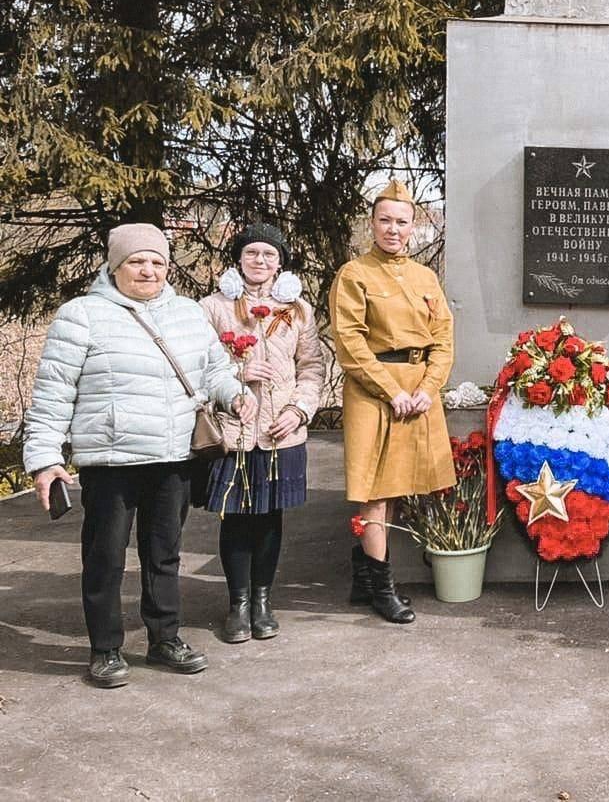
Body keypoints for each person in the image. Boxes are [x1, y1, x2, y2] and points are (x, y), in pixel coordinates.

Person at [23, 223, 254, 687]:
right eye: (137, 261)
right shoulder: (81, 315)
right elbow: (52, 394)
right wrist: (45, 458)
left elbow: (214, 369)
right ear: (115, 265)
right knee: (105, 557)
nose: (148, 270)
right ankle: (105, 649)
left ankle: (164, 639)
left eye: (157, 262)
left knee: (164, 555)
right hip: (111, 463)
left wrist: (234, 393)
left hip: (172, 458)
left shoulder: (188, 313)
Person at [329, 180, 457, 624]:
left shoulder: (425, 278)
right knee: (375, 495)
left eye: (401, 222)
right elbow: (350, 342)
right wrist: (393, 390)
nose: (393, 229)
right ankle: (383, 588)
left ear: (413, 226)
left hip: (419, 392)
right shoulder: (354, 274)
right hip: (375, 392)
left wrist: (428, 387)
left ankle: (363, 577)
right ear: (372, 223)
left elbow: (442, 339)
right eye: (384, 220)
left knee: (402, 489)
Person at [199, 223, 324, 643]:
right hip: (234, 431)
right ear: (238, 259)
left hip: (279, 431)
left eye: (269, 255)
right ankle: (237, 604)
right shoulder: (213, 308)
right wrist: (238, 372)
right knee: (234, 518)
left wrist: (299, 410)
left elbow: (312, 368)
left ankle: (263, 601)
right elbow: (196, 368)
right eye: (252, 253)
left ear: (280, 263)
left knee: (271, 519)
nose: (260, 261)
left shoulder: (299, 310)